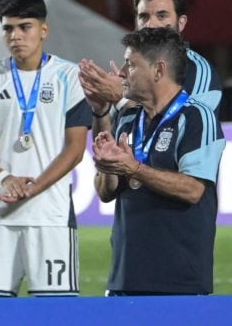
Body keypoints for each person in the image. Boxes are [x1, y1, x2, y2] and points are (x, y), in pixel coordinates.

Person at [0, 0, 91, 296]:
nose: (16, 36)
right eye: (8, 28)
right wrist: (4, 178)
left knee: (55, 311)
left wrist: (35, 187)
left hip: (49, 215)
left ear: (43, 30)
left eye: (24, 27)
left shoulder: (69, 76)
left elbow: (75, 149)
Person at [92, 26, 224, 295]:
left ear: (158, 70)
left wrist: (135, 168)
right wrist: (108, 167)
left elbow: (193, 189)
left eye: (131, 64)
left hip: (179, 283)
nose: (121, 74)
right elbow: (106, 193)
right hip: (125, 280)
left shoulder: (196, 117)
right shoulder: (127, 118)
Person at [78, 0, 221, 114]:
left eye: (162, 16)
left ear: (181, 23)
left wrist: (120, 100)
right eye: (143, 17)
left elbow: (187, 126)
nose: (150, 25)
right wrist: (101, 110)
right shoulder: (129, 73)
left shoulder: (197, 71)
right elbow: (115, 137)